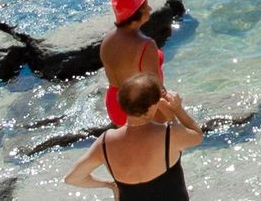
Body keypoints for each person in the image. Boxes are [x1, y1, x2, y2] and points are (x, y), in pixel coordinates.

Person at [63, 73, 202, 198]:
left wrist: (110, 185)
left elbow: (73, 178)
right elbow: (197, 135)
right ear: (152, 107)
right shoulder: (169, 135)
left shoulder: (105, 142)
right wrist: (177, 110)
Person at [101, 0, 166, 127]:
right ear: (137, 14)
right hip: (140, 105)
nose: (149, 9)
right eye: (146, 6)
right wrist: (173, 112)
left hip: (115, 105)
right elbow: (155, 88)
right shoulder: (145, 45)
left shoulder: (107, 40)